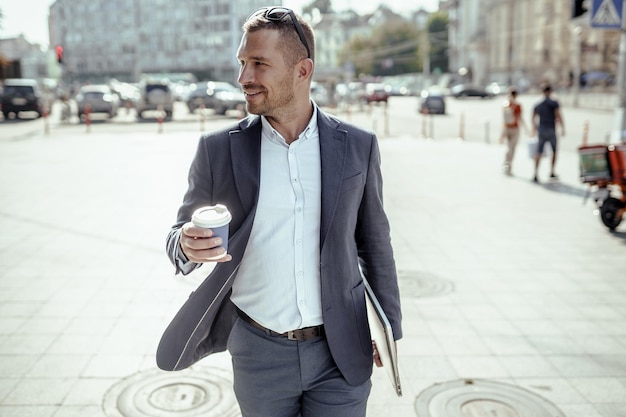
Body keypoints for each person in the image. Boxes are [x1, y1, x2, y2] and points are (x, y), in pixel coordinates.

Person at [156, 7, 402, 417]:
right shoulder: (220, 151)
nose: (243, 78)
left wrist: (387, 326)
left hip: (341, 350)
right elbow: (179, 232)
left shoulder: (358, 146)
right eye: (242, 63)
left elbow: (375, 243)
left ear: (302, 70)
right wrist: (185, 243)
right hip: (258, 353)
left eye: (259, 64)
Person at [531, 84, 564, 183]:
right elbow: (558, 115)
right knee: (554, 151)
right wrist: (563, 127)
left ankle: (536, 173)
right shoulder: (554, 103)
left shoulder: (538, 104)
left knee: (539, 151)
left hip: (541, 130)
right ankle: (552, 171)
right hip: (551, 129)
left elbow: (533, 117)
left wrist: (535, 127)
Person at [500, 87, 526, 175]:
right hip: (514, 128)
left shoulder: (505, 104)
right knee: (512, 147)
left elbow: (504, 119)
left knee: (508, 147)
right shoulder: (517, 106)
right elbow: (519, 118)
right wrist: (526, 128)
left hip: (506, 128)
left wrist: (502, 133)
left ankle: (506, 162)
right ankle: (508, 164)